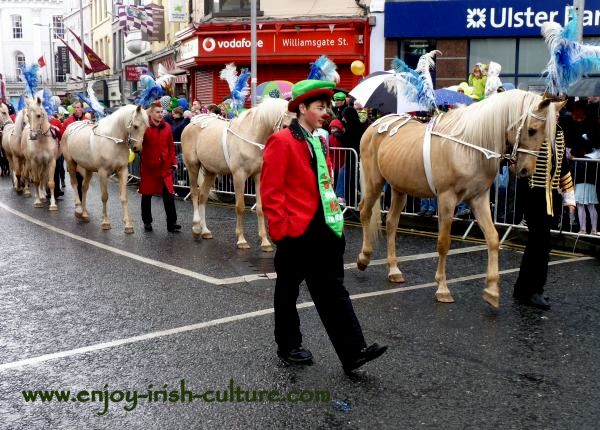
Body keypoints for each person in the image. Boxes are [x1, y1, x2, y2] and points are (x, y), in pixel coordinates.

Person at [260, 79, 387, 374]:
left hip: (325, 229)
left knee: (333, 290)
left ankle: (353, 351)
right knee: (288, 291)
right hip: (295, 232)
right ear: (302, 108)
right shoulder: (281, 141)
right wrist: (282, 232)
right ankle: (288, 344)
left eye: (328, 106)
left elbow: (324, 185)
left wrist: (336, 225)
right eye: (320, 107)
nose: (327, 111)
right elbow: (271, 191)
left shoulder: (318, 140)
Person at [513, 103, 576, 310]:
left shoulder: (558, 133)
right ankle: (534, 290)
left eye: (558, 112)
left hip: (551, 198)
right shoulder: (533, 130)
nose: (558, 115)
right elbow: (519, 161)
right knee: (540, 245)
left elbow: (563, 166)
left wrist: (569, 198)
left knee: (536, 244)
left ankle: (522, 289)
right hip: (533, 195)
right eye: (555, 112)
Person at [139, 100, 181, 233]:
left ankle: (172, 223)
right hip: (149, 167)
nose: (160, 114)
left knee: (169, 196)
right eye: (157, 112)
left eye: (161, 112)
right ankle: (147, 222)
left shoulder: (167, 126)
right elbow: (138, 144)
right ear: (151, 113)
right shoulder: (144, 127)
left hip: (165, 167)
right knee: (146, 195)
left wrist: (174, 161)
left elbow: (171, 146)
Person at [61, 100, 85, 199]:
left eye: (78, 107)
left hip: (84, 154)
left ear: (82, 108)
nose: (76, 109)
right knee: (76, 177)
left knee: (83, 178)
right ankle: (78, 197)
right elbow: (63, 138)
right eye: (75, 108)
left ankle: (81, 198)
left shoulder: (87, 120)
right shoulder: (67, 122)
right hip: (72, 154)